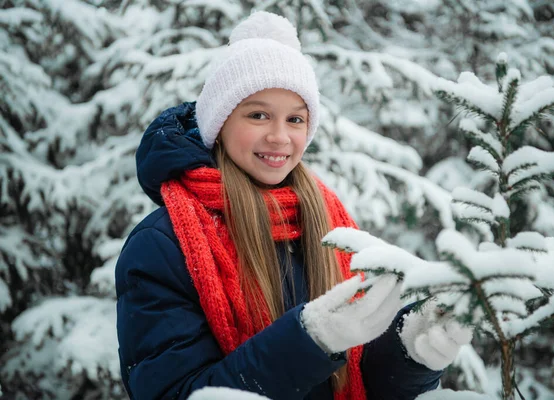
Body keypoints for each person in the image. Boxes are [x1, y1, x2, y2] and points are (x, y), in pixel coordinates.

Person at [115, 11, 472, 400]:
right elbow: (174, 393)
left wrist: (410, 355)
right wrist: (310, 340)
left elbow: (358, 379)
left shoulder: (327, 225)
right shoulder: (162, 245)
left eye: (295, 119)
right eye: (258, 114)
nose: (279, 137)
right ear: (219, 124)